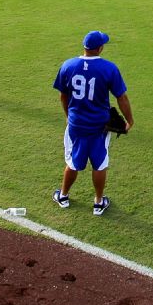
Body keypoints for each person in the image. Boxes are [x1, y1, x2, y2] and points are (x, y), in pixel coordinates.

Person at [51, 30, 133, 216]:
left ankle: (63, 196)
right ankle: (98, 202)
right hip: (100, 126)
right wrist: (129, 120)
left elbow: (63, 96)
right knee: (100, 163)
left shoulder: (68, 65)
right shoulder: (109, 68)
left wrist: (68, 116)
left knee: (73, 161)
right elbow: (122, 97)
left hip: (76, 125)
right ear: (100, 48)